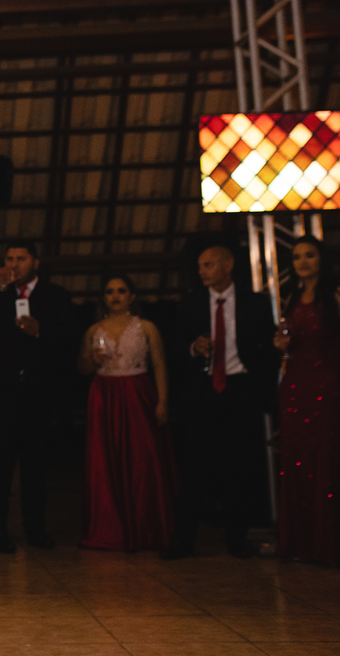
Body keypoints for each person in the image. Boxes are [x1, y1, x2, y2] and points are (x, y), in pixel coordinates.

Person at [0, 240, 75, 553]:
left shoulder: (56, 296)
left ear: (35, 262)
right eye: (9, 258)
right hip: (1, 395)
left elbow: (70, 339)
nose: (13, 264)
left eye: (20, 259)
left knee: (36, 467)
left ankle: (36, 530)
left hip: (39, 395)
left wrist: (40, 331)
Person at [164, 244, 279, 560]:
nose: (202, 271)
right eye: (200, 266)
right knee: (193, 466)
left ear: (228, 265)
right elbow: (175, 349)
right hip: (203, 390)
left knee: (238, 466)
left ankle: (236, 538)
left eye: (209, 265)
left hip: (239, 388)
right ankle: (183, 540)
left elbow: (269, 350)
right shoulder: (191, 305)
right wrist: (193, 348)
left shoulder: (255, 304)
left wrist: (258, 388)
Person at [76, 274, 175, 552]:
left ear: (132, 296)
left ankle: (147, 527)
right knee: (106, 459)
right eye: (109, 292)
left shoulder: (146, 327)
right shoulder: (94, 329)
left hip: (137, 394)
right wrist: (91, 360)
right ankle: (110, 528)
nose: (115, 296)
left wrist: (163, 401)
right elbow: (82, 367)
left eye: (121, 291)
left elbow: (159, 364)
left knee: (143, 458)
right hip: (104, 396)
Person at [272, 235, 340, 565]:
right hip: (296, 386)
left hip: (327, 385)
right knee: (297, 461)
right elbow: (289, 340)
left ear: (321, 259)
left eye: (309, 255)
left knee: (326, 460)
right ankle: (302, 542)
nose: (302, 262)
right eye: (297, 257)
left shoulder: (334, 296)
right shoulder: (293, 298)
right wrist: (281, 343)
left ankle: (329, 543)